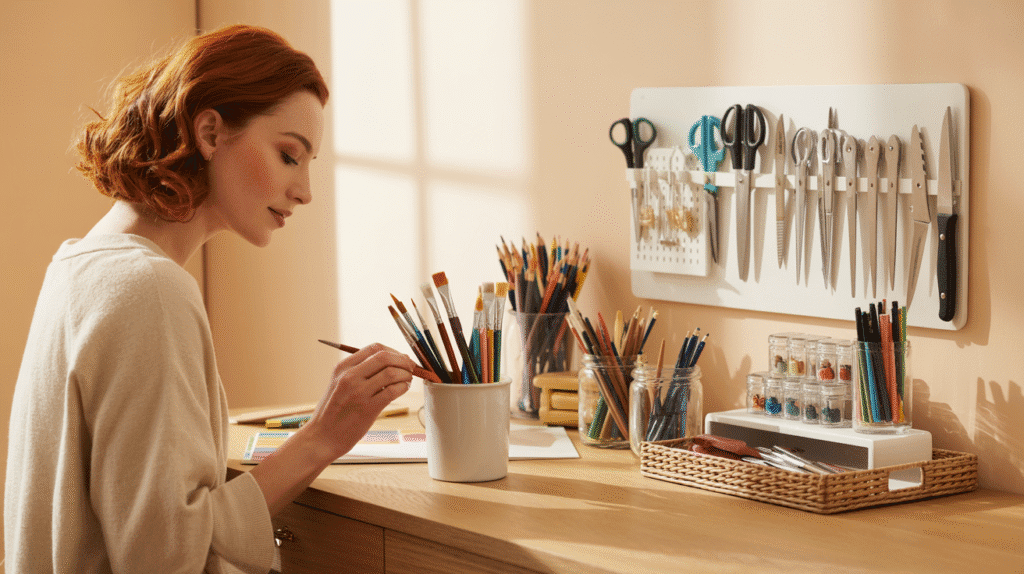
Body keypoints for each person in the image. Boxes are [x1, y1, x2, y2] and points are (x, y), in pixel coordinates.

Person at [5, 24, 416, 574]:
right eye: (290, 155)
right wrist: (321, 437)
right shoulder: (150, 291)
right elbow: (163, 557)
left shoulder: (78, 267)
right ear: (210, 132)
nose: (305, 190)